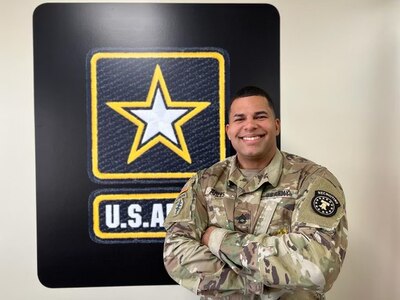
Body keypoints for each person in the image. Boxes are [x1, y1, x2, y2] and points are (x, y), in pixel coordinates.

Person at [163, 86, 348, 300]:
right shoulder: (204, 182)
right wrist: (267, 282)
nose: (250, 126)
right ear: (229, 130)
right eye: (240, 119)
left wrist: (217, 239)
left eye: (260, 117)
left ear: (276, 125)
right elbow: (176, 254)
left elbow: (317, 265)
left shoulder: (313, 180)